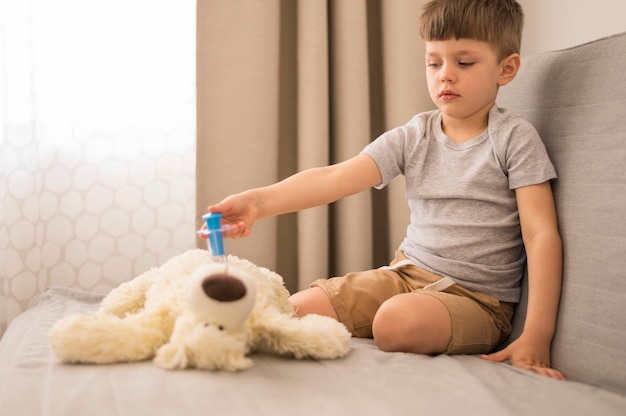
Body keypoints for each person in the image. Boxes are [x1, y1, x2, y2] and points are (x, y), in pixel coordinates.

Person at [207, 0, 565, 380]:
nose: (445, 76)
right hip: (405, 274)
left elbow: (541, 233)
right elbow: (334, 178)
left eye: (464, 63)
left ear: (505, 69)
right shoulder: (415, 135)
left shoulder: (514, 138)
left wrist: (537, 334)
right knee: (298, 306)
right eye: (434, 62)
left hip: (477, 300)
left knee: (395, 321)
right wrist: (258, 202)